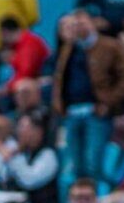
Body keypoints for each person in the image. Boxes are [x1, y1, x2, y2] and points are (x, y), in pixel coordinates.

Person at [52, 9, 124, 185]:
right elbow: (60, 78)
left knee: (94, 165)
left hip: (96, 113)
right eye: (75, 24)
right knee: (76, 166)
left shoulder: (110, 46)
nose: (78, 27)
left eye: (82, 22)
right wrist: (59, 105)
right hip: (72, 113)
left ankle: (99, 200)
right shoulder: (68, 48)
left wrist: (109, 103)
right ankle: (80, 201)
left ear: (93, 23)